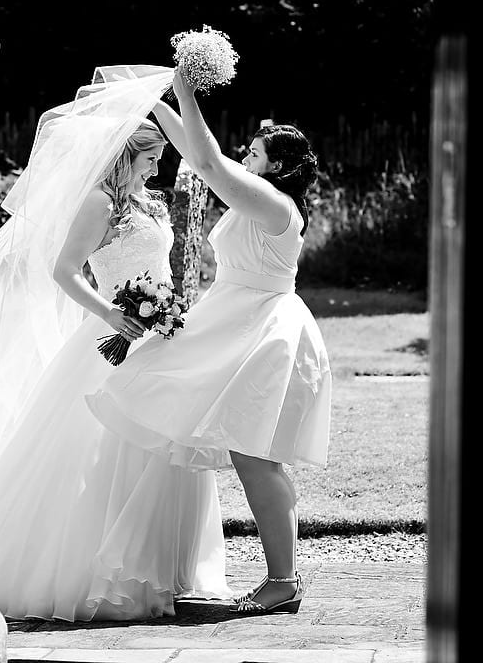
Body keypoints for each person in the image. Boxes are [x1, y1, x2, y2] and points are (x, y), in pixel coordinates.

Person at [0, 65, 232, 622]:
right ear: (126, 155)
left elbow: (163, 260)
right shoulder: (99, 204)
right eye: (150, 159)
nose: (157, 168)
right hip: (110, 338)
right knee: (100, 451)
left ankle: (163, 566)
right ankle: (99, 569)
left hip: (164, 335)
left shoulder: (154, 204)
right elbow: (65, 271)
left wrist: (169, 314)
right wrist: (116, 317)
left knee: (164, 446)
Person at [85, 68, 333, 615]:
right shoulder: (263, 195)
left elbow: (205, 161)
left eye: (256, 150)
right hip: (233, 322)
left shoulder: (275, 205)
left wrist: (186, 92)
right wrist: (160, 100)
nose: (246, 154)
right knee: (247, 451)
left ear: (280, 165)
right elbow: (203, 153)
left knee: (256, 456)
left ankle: (282, 583)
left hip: (266, 331)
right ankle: (280, 580)